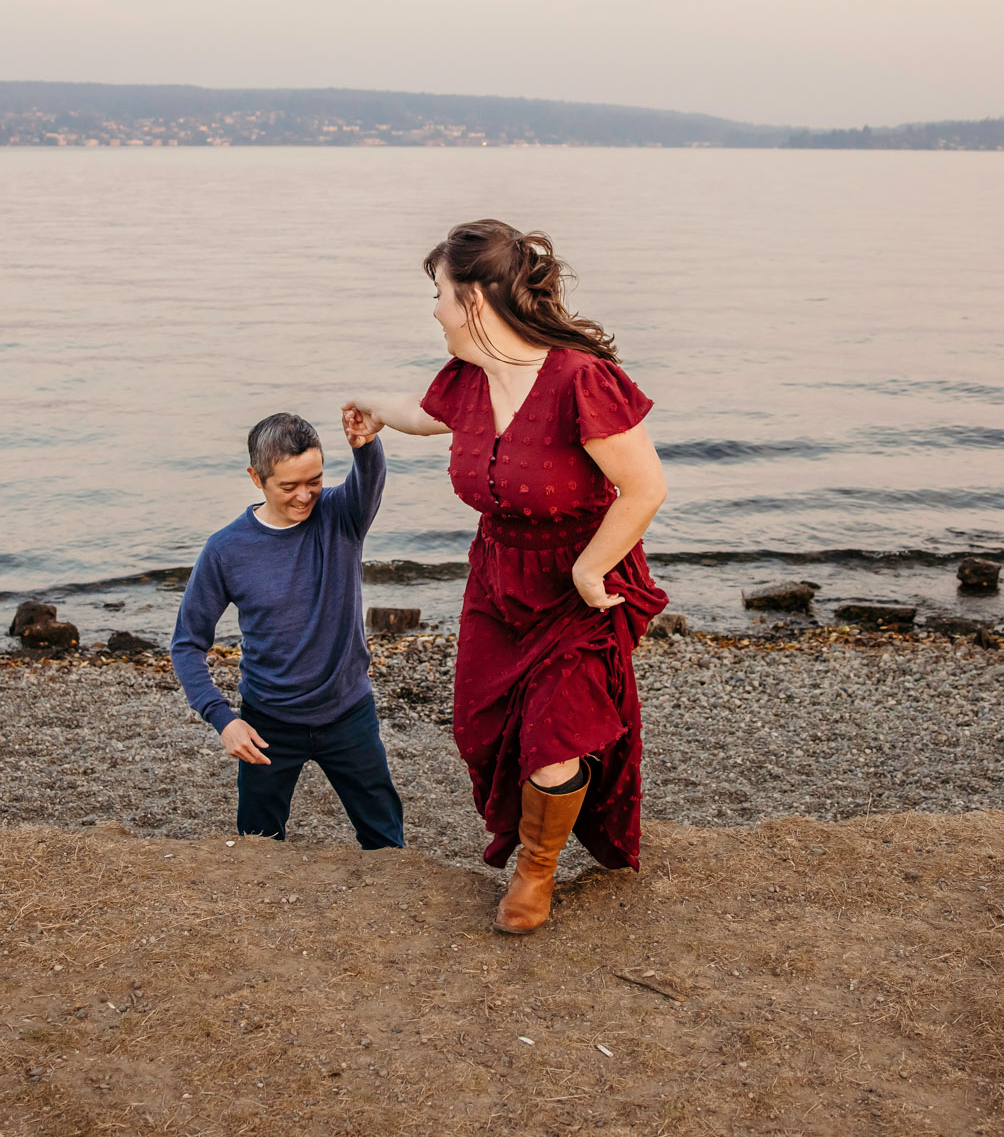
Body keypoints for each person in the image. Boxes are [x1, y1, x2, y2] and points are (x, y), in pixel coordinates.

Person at [344, 220, 666, 933]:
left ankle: (535, 872)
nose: (435, 311)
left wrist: (589, 567)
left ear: (478, 302)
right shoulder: (467, 382)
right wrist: (369, 407)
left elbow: (643, 488)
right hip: (496, 580)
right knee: (484, 732)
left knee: (554, 740)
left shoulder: (583, 381)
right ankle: (538, 844)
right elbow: (424, 417)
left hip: (580, 585)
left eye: (441, 295)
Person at [170, 412, 405, 850]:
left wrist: (364, 443)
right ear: (256, 478)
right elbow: (187, 645)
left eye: (313, 480)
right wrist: (224, 721)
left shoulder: (342, 516)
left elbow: (370, 477)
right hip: (268, 722)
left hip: (349, 713)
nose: (304, 496)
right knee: (258, 846)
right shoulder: (225, 549)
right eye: (288, 486)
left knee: (386, 842)